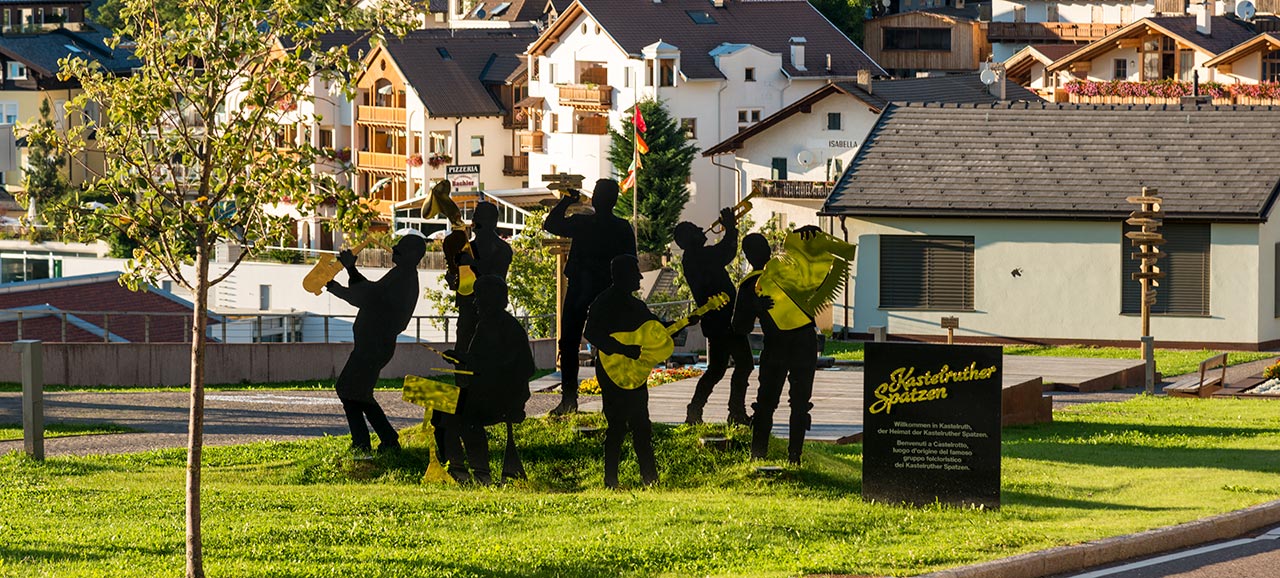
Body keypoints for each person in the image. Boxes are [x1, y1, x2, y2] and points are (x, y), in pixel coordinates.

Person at [326, 234, 427, 454]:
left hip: (374, 346)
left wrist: (338, 286)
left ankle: (367, 443)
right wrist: (349, 272)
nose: (394, 249)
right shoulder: (403, 275)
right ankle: (381, 440)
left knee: (349, 389)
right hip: (374, 345)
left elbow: (368, 297)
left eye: (399, 248)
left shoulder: (403, 276)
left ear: (412, 255)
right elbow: (371, 293)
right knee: (356, 392)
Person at [543, 179, 636, 415]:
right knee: (609, 344)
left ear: (595, 198)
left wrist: (567, 201)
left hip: (581, 289)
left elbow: (551, 224)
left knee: (570, 343)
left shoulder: (584, 222)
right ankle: (611, 399)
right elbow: (630, 263)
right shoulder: (622, 227)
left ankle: (569, 398)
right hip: (608, 290)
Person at [732, 231, 818, 464]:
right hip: (800, 342)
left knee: (771, 403)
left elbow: (739, 327)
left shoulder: (752, 284)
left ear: (747, 257)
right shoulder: (791, 272)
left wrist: (754, 307)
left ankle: (764, 456)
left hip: (786, 344)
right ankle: (789, 457)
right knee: (791, 403)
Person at [443, 275, 535, 484]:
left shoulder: (499, 326)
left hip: (498, 398)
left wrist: (467, 360)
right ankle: (461, 467)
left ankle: (471, 470)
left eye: (479, 298)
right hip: (490, 394)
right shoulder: (495, 324)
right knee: (434, 400)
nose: (475, 303)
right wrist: (464, 359)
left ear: (490, 299)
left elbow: (516, 366)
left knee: (451, 413)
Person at [584, 255, 664, 488]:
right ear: (621, 275)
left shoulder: (637, 306)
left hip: (634, 374)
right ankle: (611, 480)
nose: (640, 277)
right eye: (635, 272)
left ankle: (650, 479)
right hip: (612, 371)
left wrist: (680, 325)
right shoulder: (603, 302)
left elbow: (654, 327)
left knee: (642, 424)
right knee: (617, 425)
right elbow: (592, 334)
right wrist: (622, 349)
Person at [674, 207, 753, 426]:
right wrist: (731, 229)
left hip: (719, 320)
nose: (702, 229)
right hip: (724, 320)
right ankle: (735, 412)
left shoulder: (695, 257)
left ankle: (697, 409)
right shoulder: (698, 257)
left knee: (717, 369)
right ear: (688, 240)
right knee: (743, 364)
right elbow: (726, 253)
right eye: (695, 230)